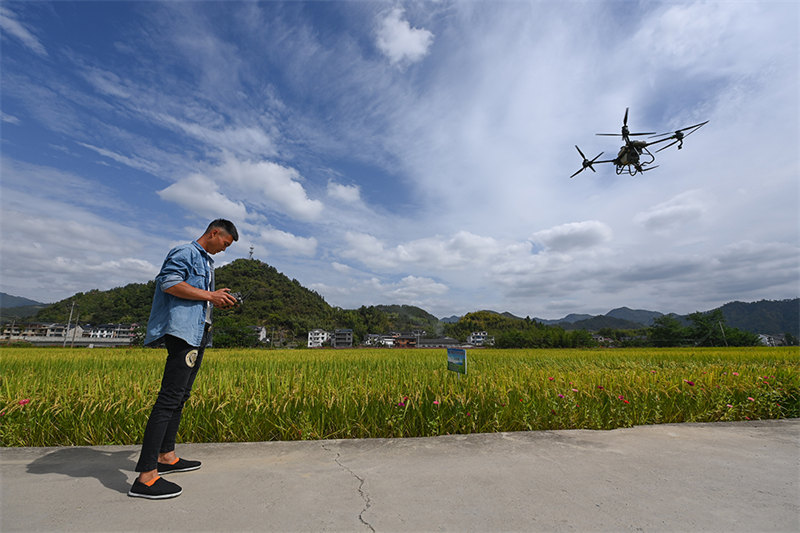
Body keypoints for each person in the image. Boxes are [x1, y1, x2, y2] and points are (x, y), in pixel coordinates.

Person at [128, 219, 239, 499]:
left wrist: (215, 297)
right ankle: (146, 477)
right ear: (214, 233)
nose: (224, 250)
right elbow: (169, 283)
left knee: (180, 397)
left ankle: (167, 456)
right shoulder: (185, 253)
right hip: (182, 333)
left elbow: (200, 295)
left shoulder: (206, 262)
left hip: (197, 332)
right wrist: (210, 295)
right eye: (224, 244)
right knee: (168, 399)